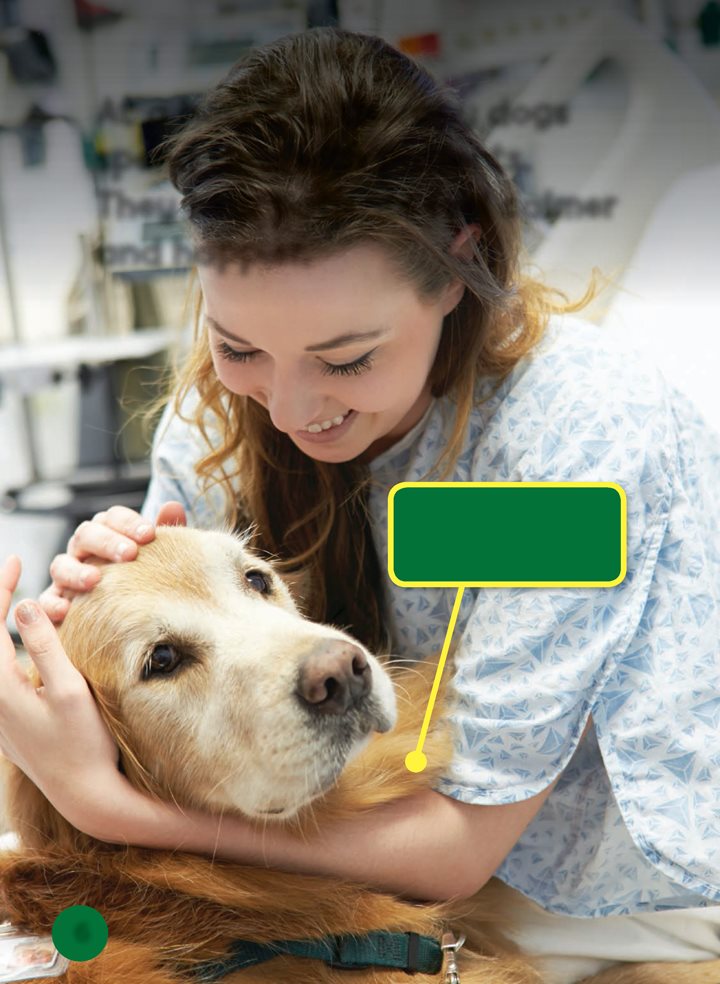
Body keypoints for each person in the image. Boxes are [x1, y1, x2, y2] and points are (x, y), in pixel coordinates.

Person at [2, 26, 720, 982]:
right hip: (333, 878)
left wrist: (108, 808)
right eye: (242, 345)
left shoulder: (573, 443)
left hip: (606, 907)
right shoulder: (212, 417)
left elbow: (459, 845)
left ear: (459, 271)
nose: (293, 410)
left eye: (347, 359)